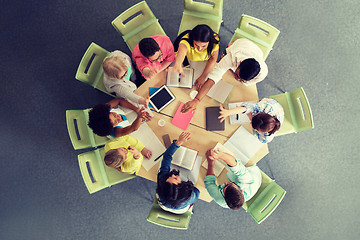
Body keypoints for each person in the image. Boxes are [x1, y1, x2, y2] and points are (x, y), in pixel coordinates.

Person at [181, 38, 268, 113]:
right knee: (220, 67)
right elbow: (212, 79)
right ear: (239, 63)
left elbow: (246, 82)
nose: (237, 79)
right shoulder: (230, 58)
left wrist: (239, 78)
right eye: (237, 75)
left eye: (241, 79)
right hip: (241, 43)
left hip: (256, 52)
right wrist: (196, 100)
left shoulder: (262, 74)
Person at [156, 132, 200, 214]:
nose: (173, 174)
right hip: (181, 210)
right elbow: (196, 191)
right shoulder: (189, 197)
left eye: (170, 177)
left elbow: (167, 157)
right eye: (175, 178)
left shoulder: (162, 180)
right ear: (182, 187)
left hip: (164, 205)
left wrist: (178, 143)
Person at [171, 24, 219, 89]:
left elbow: (213, 58)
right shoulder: (185, 41)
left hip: (203, 61)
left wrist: (203, 76)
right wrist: (178, 64)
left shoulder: (214, 41)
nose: (199, 49)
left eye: (204, 46)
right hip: (189, 58)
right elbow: (182, 52)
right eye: (196, 45)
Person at [218, 98, 284, 143]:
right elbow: (246, 108)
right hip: (270, 102)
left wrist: (250, 117)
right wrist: (228, 112)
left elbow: (258, 137)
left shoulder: (266, 137)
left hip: (278, 111)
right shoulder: (263, 107)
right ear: (260, 113)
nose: (250, 123)